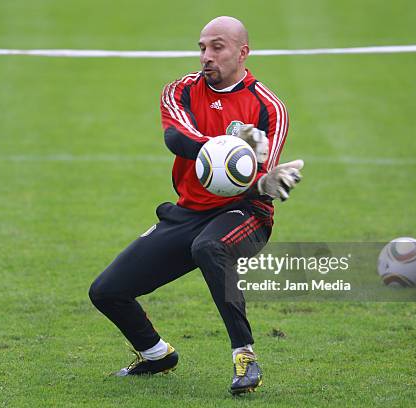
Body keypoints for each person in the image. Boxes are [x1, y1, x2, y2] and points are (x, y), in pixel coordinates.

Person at [89, 15, 304, 395]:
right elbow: (176, 137)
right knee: (106, 291)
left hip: (245, 213)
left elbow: (261, 180)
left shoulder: (268, 107)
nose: (206, 55)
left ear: (243, 52)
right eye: (202, 47)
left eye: (217, 47)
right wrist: (219, 149)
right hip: (188, 211)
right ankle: (156, 354)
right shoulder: (181, 91)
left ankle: (246, 357)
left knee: (209, 246)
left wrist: (266, 183)